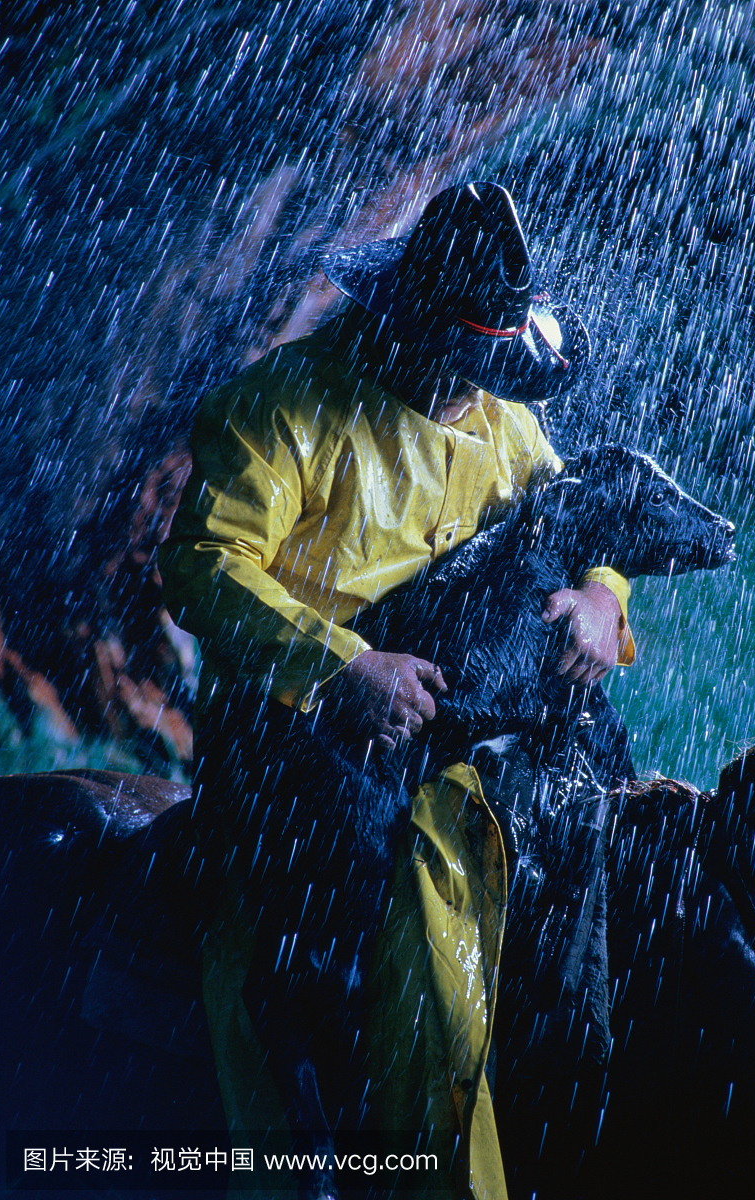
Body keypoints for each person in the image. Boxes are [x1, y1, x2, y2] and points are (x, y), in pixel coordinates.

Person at [159, 181, 634, 1200]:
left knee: (600, 822)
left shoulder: (505, 424)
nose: (462, 388)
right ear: (397, 325)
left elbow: (579, 524)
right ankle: (327, 1146)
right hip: (286, 724)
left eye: (480, 371)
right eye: (447, 361)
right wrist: (338, 666)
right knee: (367, 901)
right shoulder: (280, 407)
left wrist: (602, 599)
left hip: (449, 719)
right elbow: (202, 562)